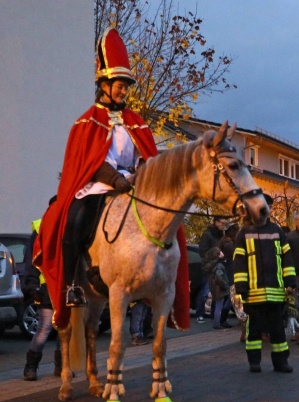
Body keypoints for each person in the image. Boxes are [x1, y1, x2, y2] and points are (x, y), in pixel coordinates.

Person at [32, 27, 190, 331]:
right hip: (99, 186)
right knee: (74, 220)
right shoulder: (86, 121)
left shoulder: (136, 122)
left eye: (126, 85)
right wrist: (115, 179)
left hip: (134, 187)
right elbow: (89, 161)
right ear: (104, 84)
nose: (123, 90)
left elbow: (147, 158)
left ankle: (157, 283)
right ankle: (71, 286)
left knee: (169, 225)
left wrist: (143, 171)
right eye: (119, 84)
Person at [233, 194, 296, 373]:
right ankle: (254, 362)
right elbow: (239, 262)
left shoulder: (277, 230)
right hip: (253, 292)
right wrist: (241, 288)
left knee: (278, 330)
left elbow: (287, 258)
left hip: (276, 291)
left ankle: (281, 363)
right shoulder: (244, 233)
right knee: (254, 329)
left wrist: (290, 281)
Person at [23, 216, 61, 381]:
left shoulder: (70, 224)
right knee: (45, 327)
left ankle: (62, 366)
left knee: (64, 329)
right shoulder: (41, 227)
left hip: (62, 285)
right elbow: (32, 260)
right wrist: (32, 285)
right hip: (45, 286)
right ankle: (31, 366)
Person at [195, 217, 228, 323]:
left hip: (219, 265)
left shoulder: (222, 236)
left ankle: (214, 315)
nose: (224, 226)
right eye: (222, 223)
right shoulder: (208, 234)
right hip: (209, 266)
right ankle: (200, 314)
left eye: (225, 224)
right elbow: (202, 251)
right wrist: (214, 256)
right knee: (205, 291)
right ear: (216, 222)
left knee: (216, 292)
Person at [203, 247, 232, 330]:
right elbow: (220, 277)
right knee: (219, 306)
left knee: (217, 305)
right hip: (219, 288)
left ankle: (216, 323)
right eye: (220, 252)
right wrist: (226, 285)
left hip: (216, 288)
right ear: (218, 255)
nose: (223, 253)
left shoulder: (214, 265)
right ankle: (217, 324)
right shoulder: (219, 265)